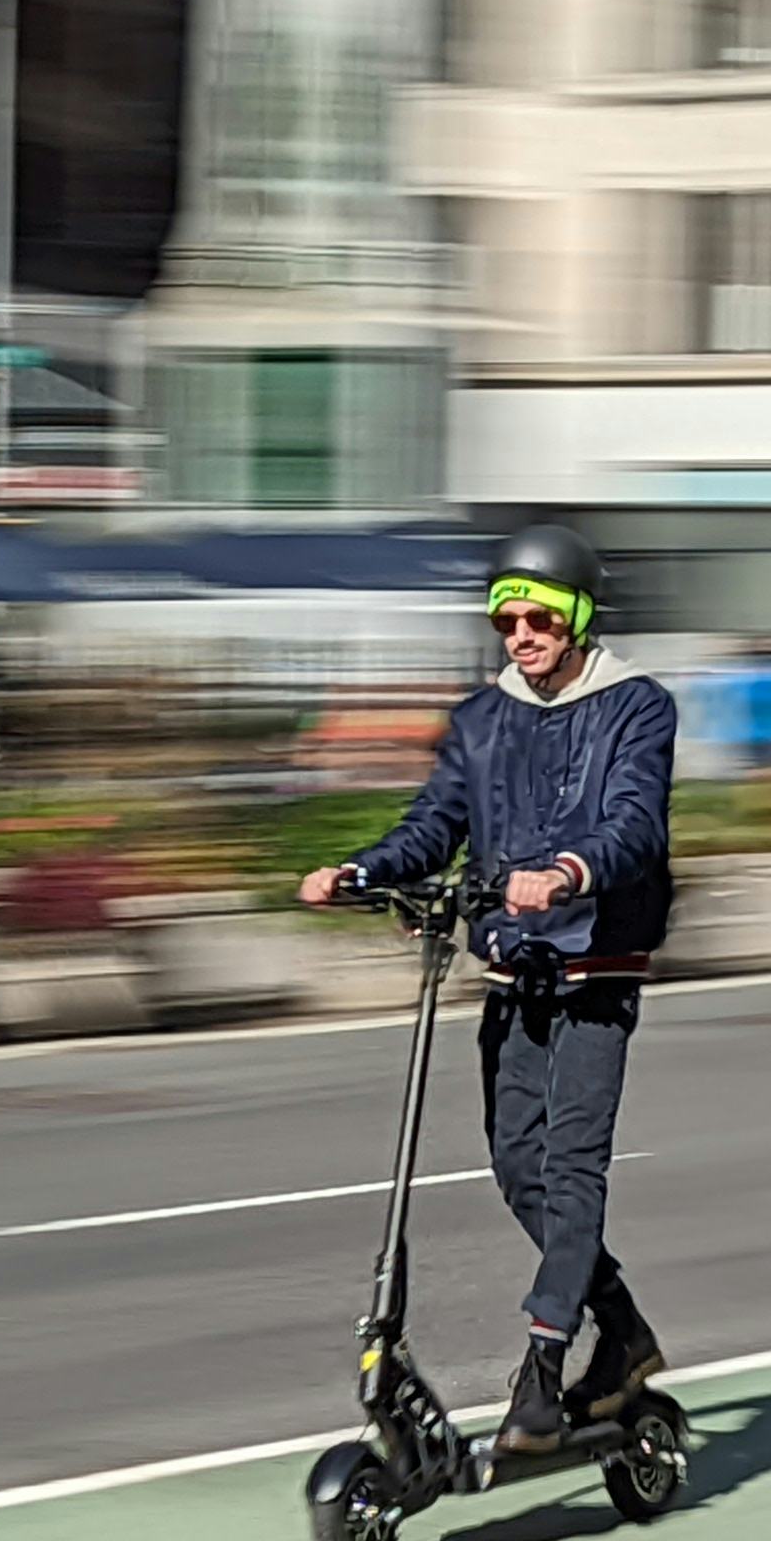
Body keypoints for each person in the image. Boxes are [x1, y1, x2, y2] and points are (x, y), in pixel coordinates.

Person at [299, 522, 678, 1456]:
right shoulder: (480, 719)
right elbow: (435, 823)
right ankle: (623, 1331)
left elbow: (634, 823)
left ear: (578, 616)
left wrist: (569, 872)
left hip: (595, 963)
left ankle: (544, 1367)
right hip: (513, 964)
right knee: (517, 1168)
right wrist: (363, 870)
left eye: (539, 618)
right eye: (507, 621)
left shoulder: (637, 706)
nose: (521, 636)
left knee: (571, 1165)